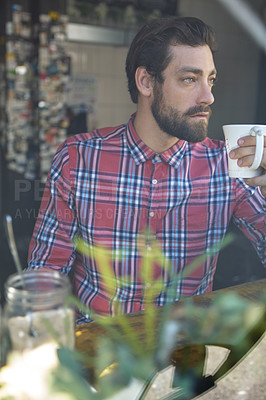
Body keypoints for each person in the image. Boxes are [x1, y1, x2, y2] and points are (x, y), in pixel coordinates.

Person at [28, 17, 266, 324]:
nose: (208, 96)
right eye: (190, 79)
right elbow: (45, 274)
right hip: (97, 351)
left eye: (211, 80)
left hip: (186, 354)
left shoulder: (227, 163)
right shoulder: (78, 158)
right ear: (146, 82)